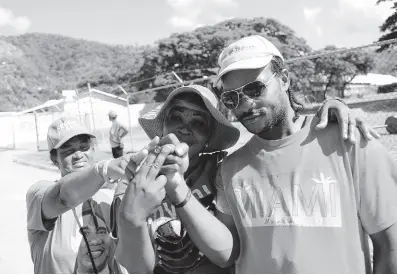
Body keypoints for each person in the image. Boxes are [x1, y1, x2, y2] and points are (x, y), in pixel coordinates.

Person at [154, 35, 397, 274]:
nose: (246, 103)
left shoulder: (350, 144)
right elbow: (227, 252)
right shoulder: (231, 169)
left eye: (255, 88)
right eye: (232, 97)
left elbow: (390, 246)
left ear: (283, 79)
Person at [113, 83, 379, 273]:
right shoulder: (135, 176)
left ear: (208, 140)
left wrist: (337, 107)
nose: (185, 127)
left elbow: (226, 256)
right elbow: (136, 267)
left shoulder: (225, 170)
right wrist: (132, 216)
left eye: (198, 122)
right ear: (162, 124)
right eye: (176, 116)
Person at [25, 117, 152, 273]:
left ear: (93, 149)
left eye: (84, 147)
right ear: (54, 158)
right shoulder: (40, 195)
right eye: (68, 151)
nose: (78, 155)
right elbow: (63, 197)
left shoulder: (109, 196)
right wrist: (103, 169)